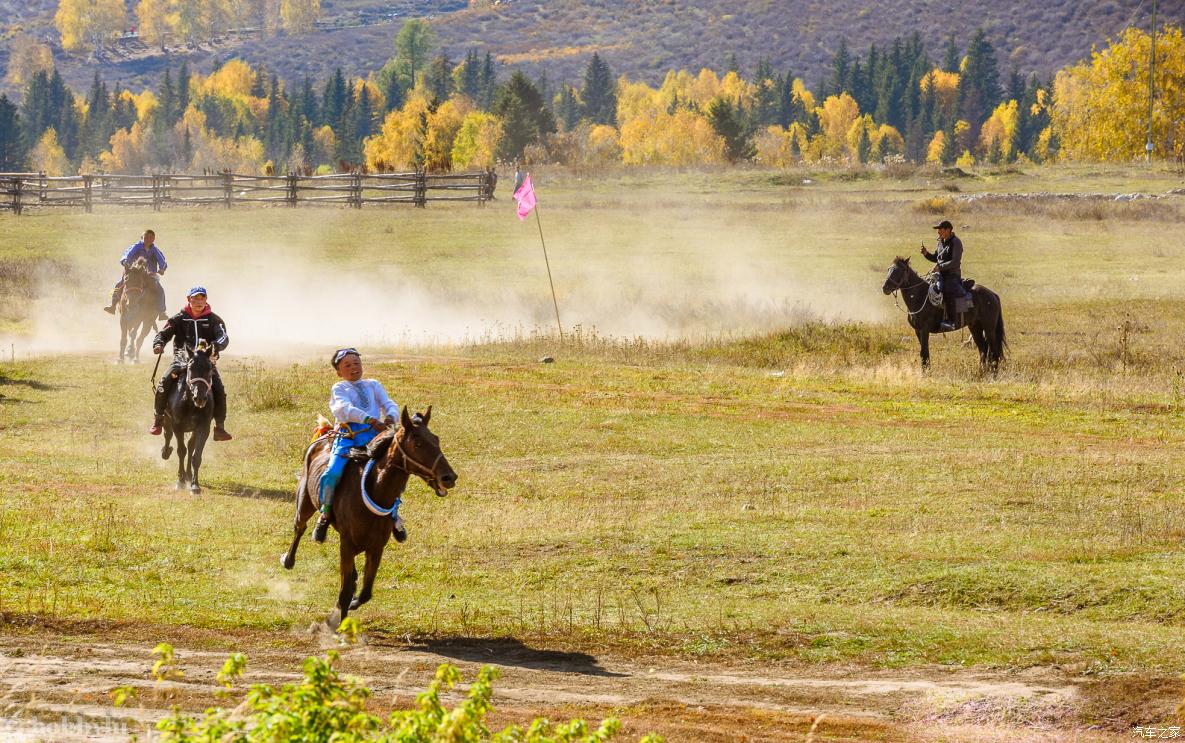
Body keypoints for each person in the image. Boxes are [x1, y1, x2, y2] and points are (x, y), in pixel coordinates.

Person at [312, 348, 399, 544]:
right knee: (332, 472)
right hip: (349, 435)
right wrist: (369, 419)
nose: (353, 368)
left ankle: (393, 512)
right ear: (339, 372)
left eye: (356, 363)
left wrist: (391, 415)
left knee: (396, 469)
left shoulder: (373, 384)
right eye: (347, 365)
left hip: (376, 436)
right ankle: (325, 513)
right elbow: (344, 410)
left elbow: (388, 402)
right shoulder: (339, 388)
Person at [150, 286, 233, 441]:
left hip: (205, 363)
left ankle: (219, 427)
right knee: (164, 383)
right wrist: (159, 343)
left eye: (202, 298)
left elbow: (223, 337)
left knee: (219, 389)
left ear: (206, 300)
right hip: (181, 360)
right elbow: (163, 333)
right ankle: (158, 419)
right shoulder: (178, 318)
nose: (199, 302)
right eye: (196, 299)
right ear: (189, 300)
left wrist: (215, 346)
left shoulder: (214, 320)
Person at [104, 230, 168, 320]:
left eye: (150, 237)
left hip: (149, 274)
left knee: (160, 290)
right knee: (119, 284)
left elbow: (162, 261)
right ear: (142, 238)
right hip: (133, 272)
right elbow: (127, 255)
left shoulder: (155, 250)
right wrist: (126, 262)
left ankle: (162, 312)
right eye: (146, 237)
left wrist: (162, 268)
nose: (148, 239)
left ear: (154, 239)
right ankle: (113, 305)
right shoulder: (136, 246)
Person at [920, 219, 964, 331]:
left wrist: (940, 267)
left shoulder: (956, 242)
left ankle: (951, 321)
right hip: (939, 275)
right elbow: (936, 257)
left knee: (947, 290)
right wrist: (926, 254)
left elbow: (955, 262)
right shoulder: (940, 242)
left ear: (948, 230)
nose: (938, 232)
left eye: (940, 229)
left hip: (952, 275)